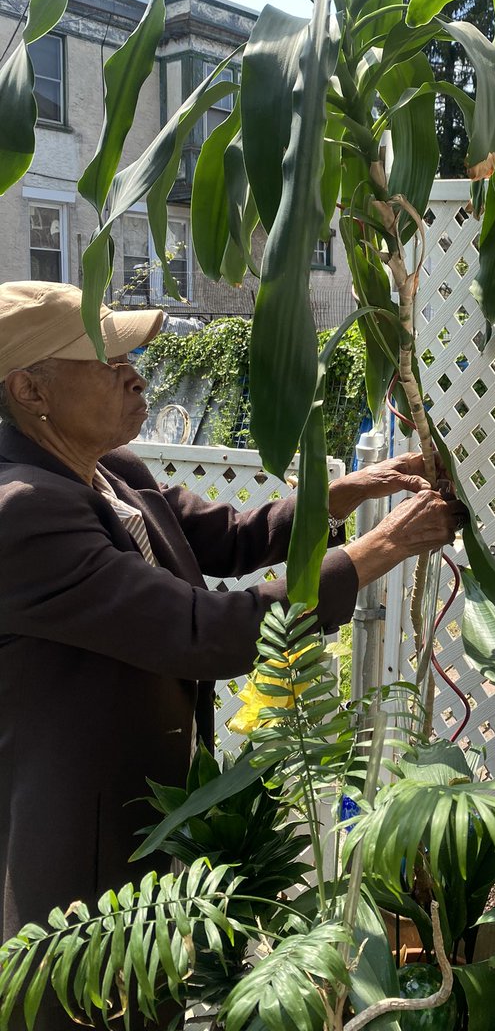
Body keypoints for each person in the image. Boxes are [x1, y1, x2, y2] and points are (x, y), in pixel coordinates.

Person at [0, 280, 465, 970]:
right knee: (96, 1002)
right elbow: (202, 630)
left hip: (149, 806)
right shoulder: (23, 512)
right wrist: (382, 548)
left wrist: (343, 493)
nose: (135, 373)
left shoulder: (107, 470)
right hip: (81, 840)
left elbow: (228, 537)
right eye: (108, 361)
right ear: (31, 392)